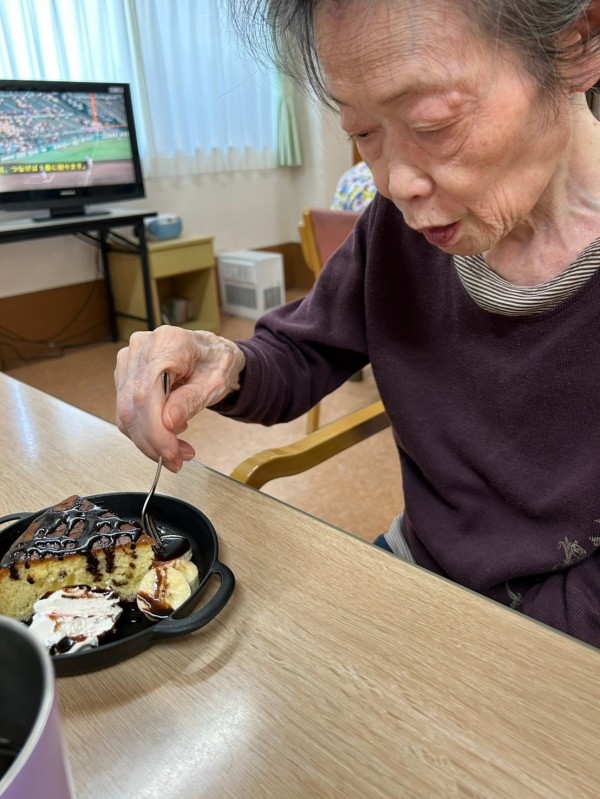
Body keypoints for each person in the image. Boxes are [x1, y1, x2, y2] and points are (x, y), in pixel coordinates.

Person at [115, 0, 600, 649]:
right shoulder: (395, 231)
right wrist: (226, 363)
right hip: (420, 568)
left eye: (433, 122)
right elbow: (301, 352)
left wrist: (492, 650)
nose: (395, 182)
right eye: (364, 132)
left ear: (577, 44)